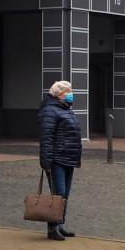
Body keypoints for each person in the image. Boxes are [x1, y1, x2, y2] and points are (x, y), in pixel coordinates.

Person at [38, 80, 82, 241]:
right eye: (67, 92)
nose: (70, 94)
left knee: (64, 195)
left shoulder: (66, 109)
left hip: (69, 157)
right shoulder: (49, 111)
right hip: (56, 159)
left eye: (70, 91)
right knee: (58, 194)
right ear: (58, 95)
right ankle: (52, 228)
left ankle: (60, 225)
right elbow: (46, 138)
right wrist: (46, 162)